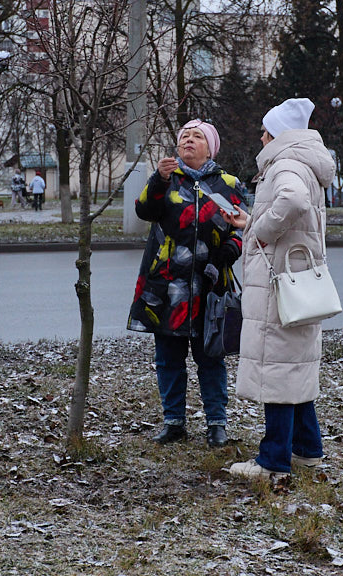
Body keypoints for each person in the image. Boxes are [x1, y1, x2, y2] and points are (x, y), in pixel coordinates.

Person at [218, 97, 336, 482]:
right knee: (295, 368)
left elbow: (293, 202)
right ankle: (307, 450)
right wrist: (250, 222)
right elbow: (295, 213)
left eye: (265, 131)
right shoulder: (303, 164)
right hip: (297, 281)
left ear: (277, 135)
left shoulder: (284, 164)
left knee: (277, 372)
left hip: (279, 286)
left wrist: (262, 232)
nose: (260, 137)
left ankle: (272, 462)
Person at [127, 119, 250, 448]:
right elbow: (143, 211)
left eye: (197, 137)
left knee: (210, 356)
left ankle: (216, 424)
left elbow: (243, 227)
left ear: (211, 147)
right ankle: (174, 422)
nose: (189, 141)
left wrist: (231, 249)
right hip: (168, 287)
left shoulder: (228, 184)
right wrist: (158, 179)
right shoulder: (167, 179)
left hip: (210, 286)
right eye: (185, 136)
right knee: (168, 356)